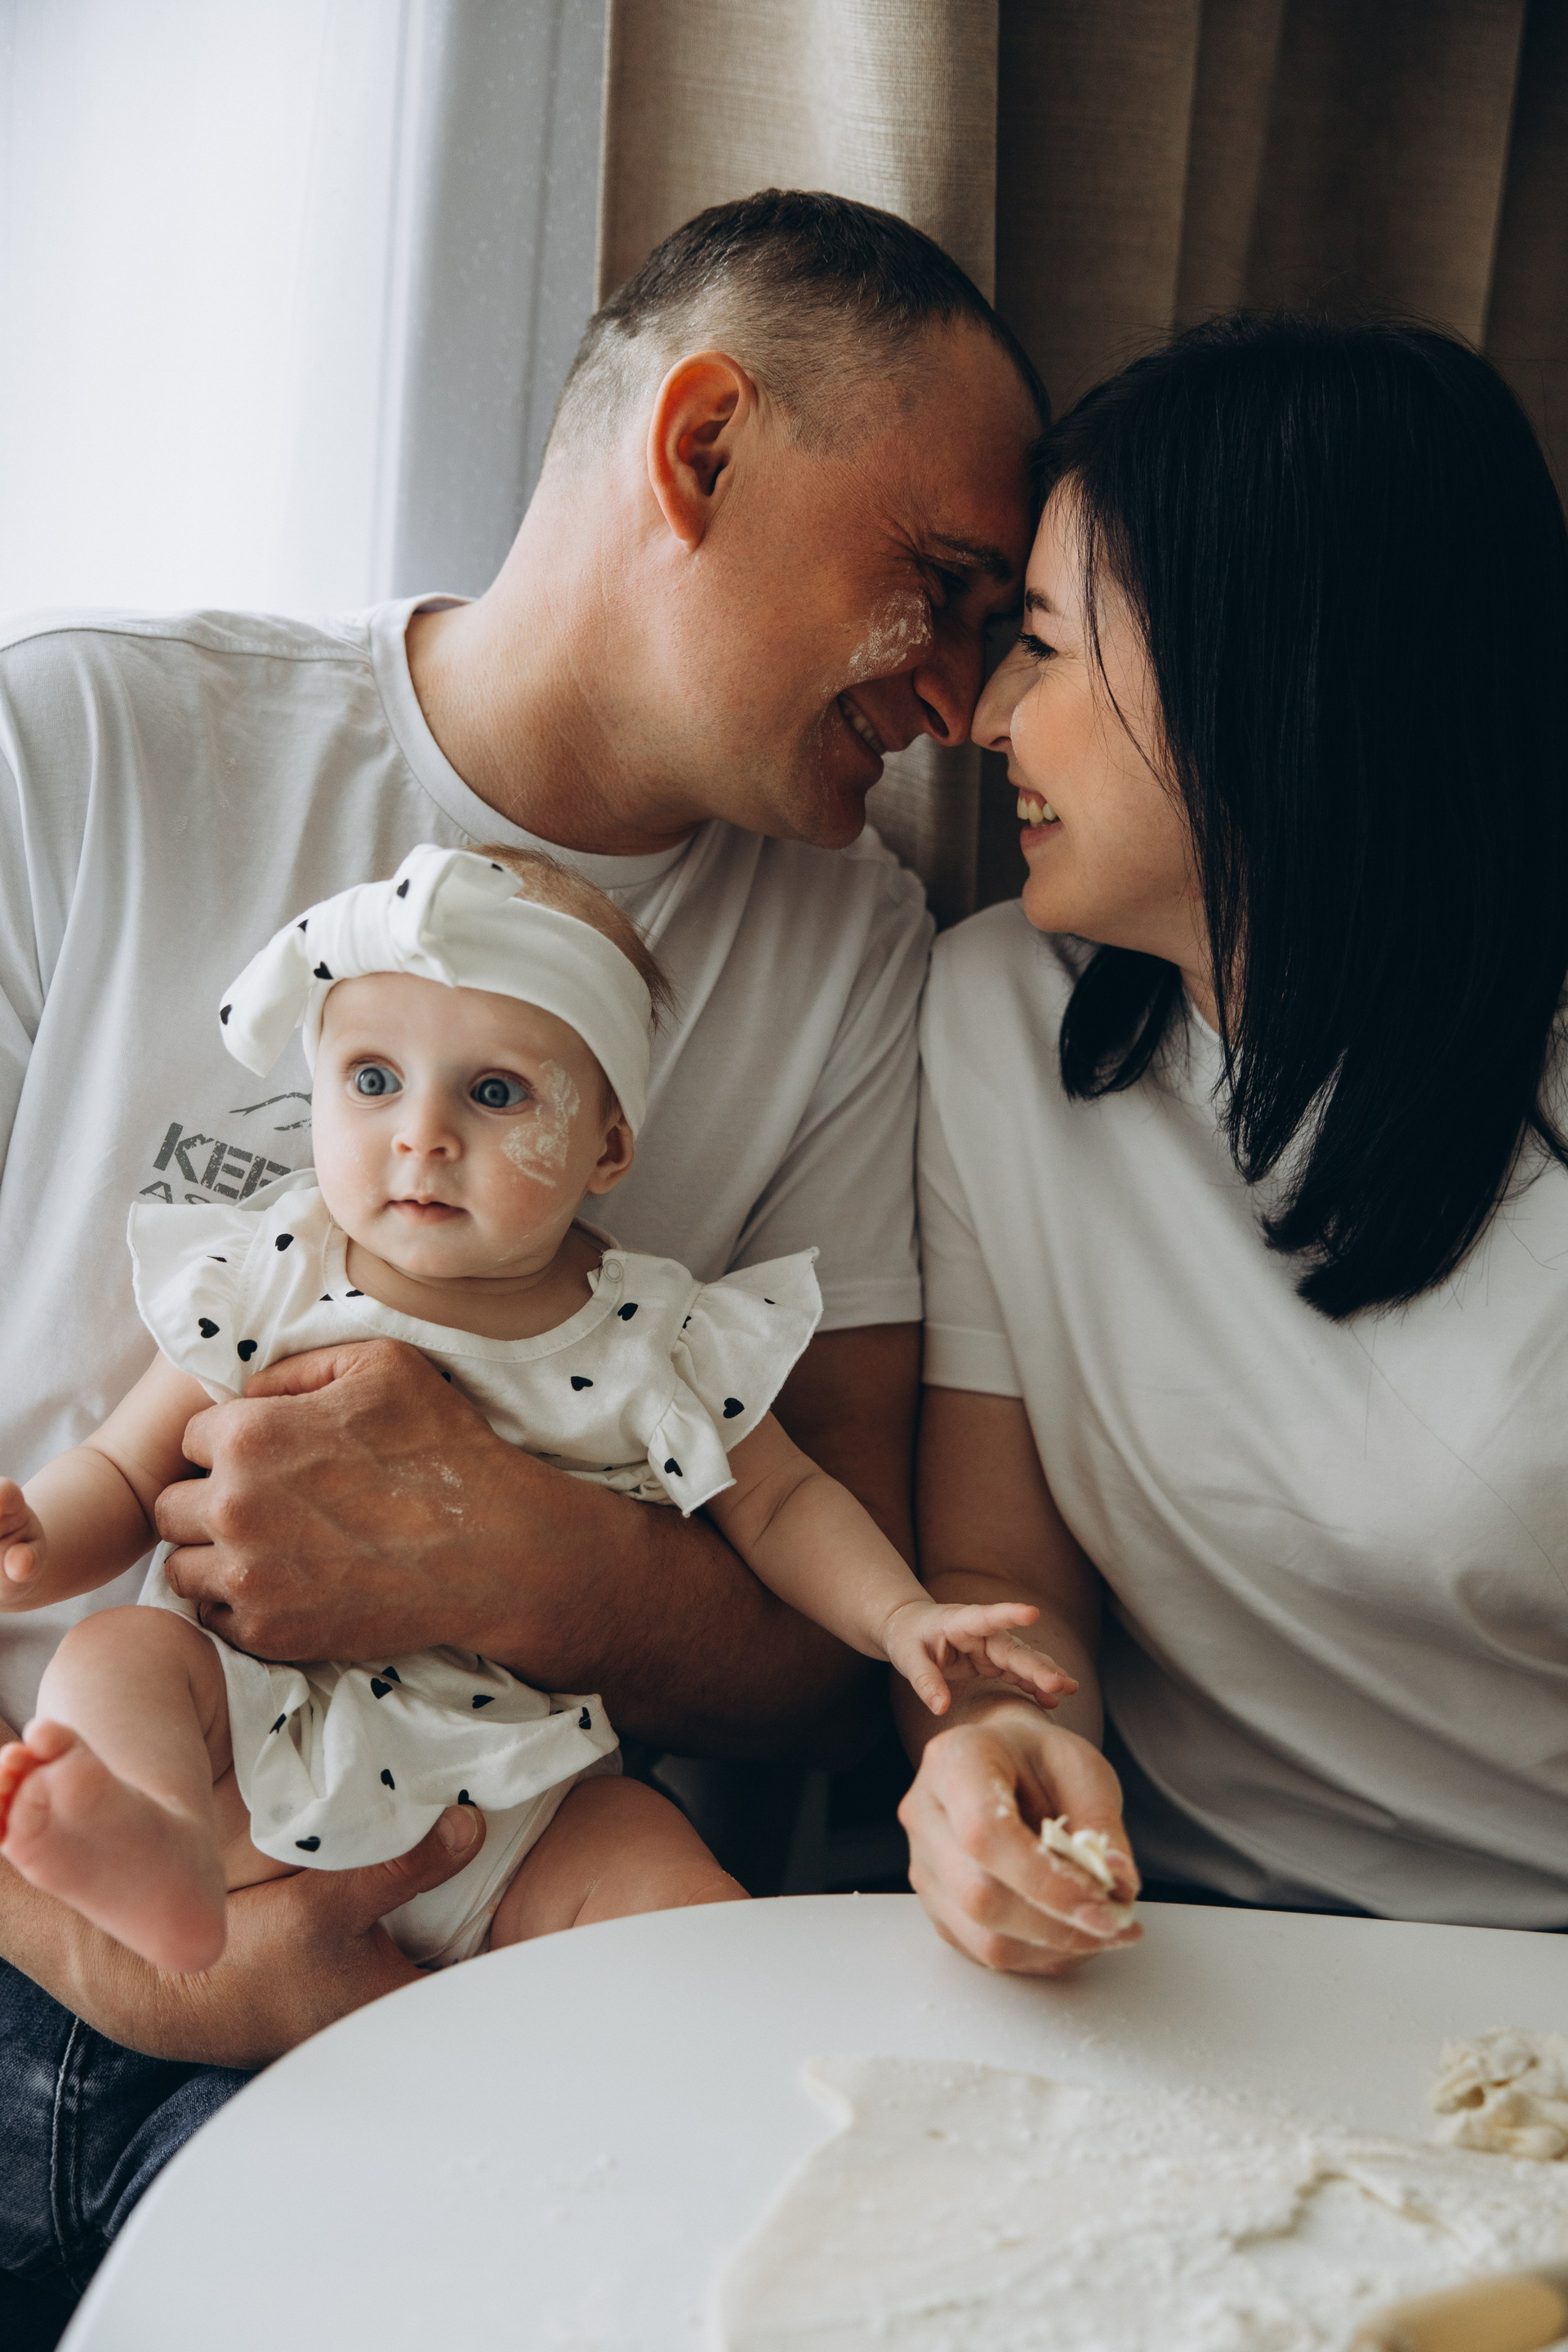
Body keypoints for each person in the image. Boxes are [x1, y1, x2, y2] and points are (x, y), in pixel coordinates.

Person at [0, 189, 1040, 2328]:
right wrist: (143, 1949)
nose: (960, 699)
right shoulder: (78, 754)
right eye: (939, 588)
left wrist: (515, 1556)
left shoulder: (856, 959)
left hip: (467, 1931)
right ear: (702, 445)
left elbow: (837, 1654)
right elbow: (83, 1505)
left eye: (1002, 628)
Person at [0, 844, 1068, 1976]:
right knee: (116, 1660)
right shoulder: (271, 1273)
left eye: (495, 1092)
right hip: (248, 1743)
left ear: (607, 1145)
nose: (421, 1133)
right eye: (372, 1079)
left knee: (669, 1885)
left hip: (510, 1799)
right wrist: (33, 1541)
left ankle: (707, 2014)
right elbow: (124, 1473)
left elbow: (786, 1504)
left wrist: (899, 1617)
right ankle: (154, 1843)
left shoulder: (652, 1332)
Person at [897, 312, 1568, 1976]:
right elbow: (998, 1570)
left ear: (1273, 675)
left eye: (1041, 646)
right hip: (1169, 1957)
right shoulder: (995, 1017)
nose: (984, 719)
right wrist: (989, 1752)